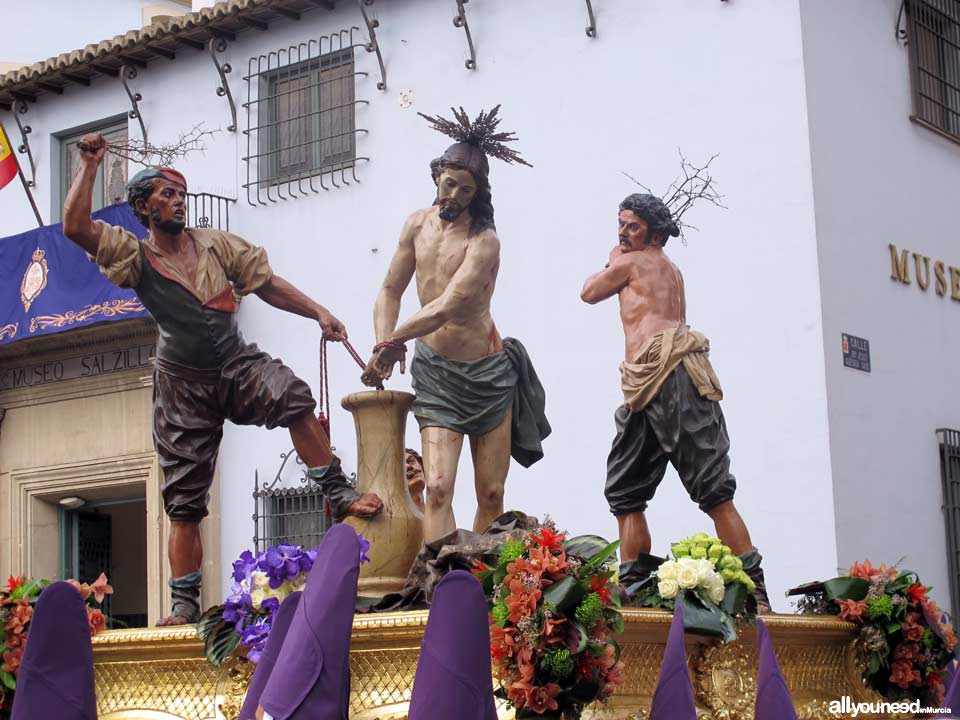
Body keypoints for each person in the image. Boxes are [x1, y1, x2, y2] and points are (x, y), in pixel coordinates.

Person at [62, 133, 383, 625]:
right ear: (145, 208)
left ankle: (336, 491)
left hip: (235, 364)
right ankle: (184, 604)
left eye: (181, 196)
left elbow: (267, 284)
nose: (178, 203)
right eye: (166, 196)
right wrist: (88, 165)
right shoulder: (135, 256)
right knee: (185, 503)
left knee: (293, 396)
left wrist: (318, 311)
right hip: (182, 385)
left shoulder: (215, 245)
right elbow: (75, 226)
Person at [361, 107, 550, 541]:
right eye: (449, 184)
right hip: (437, 374)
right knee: (439, 486)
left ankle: (484, 588)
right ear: (436, 177)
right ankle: (439, 584)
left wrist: (392, 341)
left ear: (477, 193)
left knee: (491, 491)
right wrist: (381, 344)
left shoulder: (484, 241)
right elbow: (390, 291)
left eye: (465, 190)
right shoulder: (415, 225)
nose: (453, 196)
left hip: (487, 377)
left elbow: (449, 305)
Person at [580, 193, 770, 611]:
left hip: (670, 378)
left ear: (655, 231)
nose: (622, 232)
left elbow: (589, 292)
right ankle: (632, 587)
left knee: (713, 489)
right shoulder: (669, 266)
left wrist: (613, 257)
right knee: (626, 489)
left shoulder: (632, 262)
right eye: (620, 224)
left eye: (632, 226)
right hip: (645, 388)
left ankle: (754, 589)